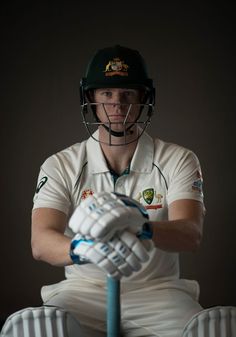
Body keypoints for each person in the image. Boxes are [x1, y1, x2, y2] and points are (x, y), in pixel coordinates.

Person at [1, 45, 205, 337]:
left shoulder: (178, 159)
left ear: (144, 98)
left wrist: (142, 227)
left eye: (127, 94)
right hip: (83, 291)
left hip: (158, 292)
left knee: (203, 331)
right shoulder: (60, 164)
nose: (118, 105)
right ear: (91, 98)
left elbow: (190, 233)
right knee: (41, 330)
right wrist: (82, 249)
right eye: (107, 94)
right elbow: (41, 242)